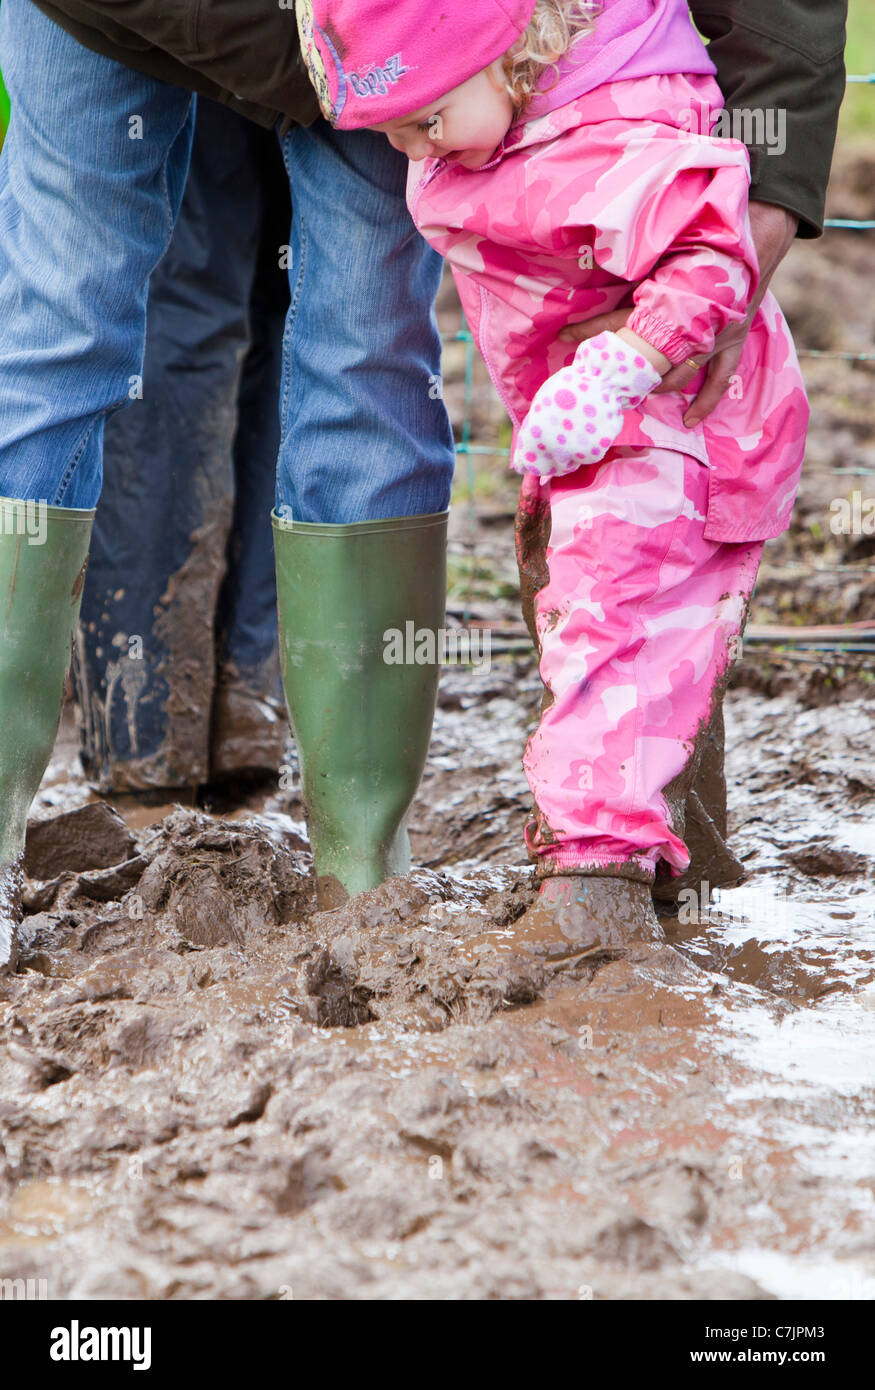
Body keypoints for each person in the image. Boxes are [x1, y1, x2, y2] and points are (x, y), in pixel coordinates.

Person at [295, 0, 813, 951]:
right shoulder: (502, 125)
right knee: (628, 643)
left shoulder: (609, 134)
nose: (409, 145)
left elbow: (710, 250)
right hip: (595, 441)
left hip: (670, 435)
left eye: (424, 119)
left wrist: (618, 368)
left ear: (502, 56)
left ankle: (591, 888)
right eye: (392, 128)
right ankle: (671, 880)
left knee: (609, 639)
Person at [0, 0, 455, 972]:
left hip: (376, 19)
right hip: (192, 16)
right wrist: (365, 74)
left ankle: (363, 880)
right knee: (59, 315)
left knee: (370, 341)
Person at [74, 97, 292, 797]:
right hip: (361, 38)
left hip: (188, 35)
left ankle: (145, 726)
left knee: (178, 292)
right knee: (308, 303)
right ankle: (247, 696)